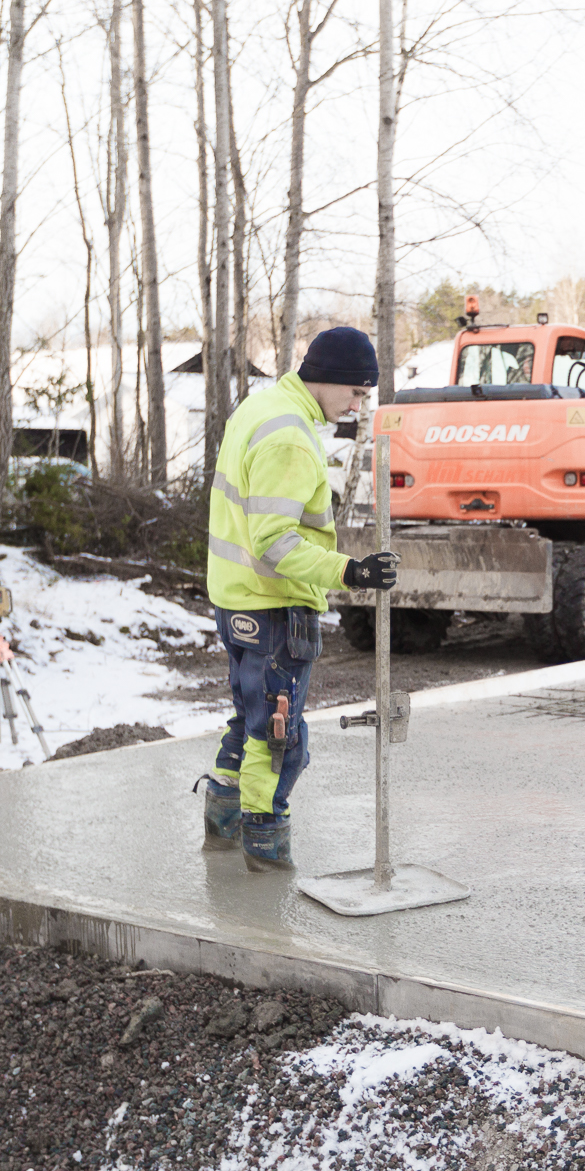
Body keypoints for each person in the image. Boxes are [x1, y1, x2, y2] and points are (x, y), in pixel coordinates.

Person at [199, 327, 401, 871]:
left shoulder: (261, 408)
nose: (357, 404)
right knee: (278, 734)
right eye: (355, 392)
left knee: (248, 717)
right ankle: (264, 854)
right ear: (328, 378)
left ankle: (221, 823)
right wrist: (351, 570)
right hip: (274, 604)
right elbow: (273, 541)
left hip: (237, 597)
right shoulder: (290, 435)